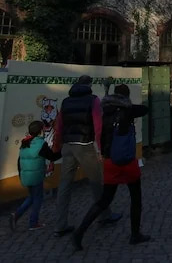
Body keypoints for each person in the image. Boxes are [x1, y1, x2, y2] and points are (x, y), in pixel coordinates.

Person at [72, 84, 151, 250]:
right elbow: (144, 109)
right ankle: (135, 234)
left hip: (109, 161)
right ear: (126, 96)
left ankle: (80, 231)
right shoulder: (127, 111)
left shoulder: (104, 112)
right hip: (127, 160)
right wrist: (128, 106)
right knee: (136, 198)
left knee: (104, 200)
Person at [51, 75, 120, 237]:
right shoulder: (93, 100)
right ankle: (104, 215)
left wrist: (56, 147)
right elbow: (98, 126)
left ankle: (60, 224)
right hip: (85, 146)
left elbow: (59, 127)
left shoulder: (66, 102)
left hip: (68, 146)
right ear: (89, 85)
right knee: (96, 182)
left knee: (64, 185)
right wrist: (100, 149)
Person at [10, 120, 59, 231]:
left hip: (26, 176)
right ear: (40, 131)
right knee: (38, 198)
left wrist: (21, 175)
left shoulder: (25, 143)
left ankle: (16, 215)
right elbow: (52, 156)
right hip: (36, 176)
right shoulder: (41, 144)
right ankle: (33, 222)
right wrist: (63, 150)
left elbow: (19, 161)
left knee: (32, 197)